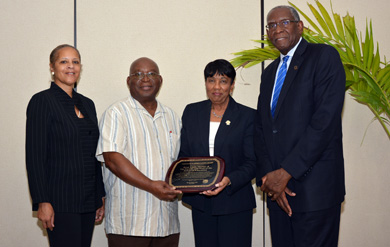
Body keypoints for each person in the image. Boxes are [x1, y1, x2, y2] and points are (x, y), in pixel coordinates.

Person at [255, 5, 346, 247]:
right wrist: (270, 181)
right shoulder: (269, 72)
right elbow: (262, 129)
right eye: (271, 25)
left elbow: (324, 123)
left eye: (284, 22)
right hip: (278, 195)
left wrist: (286, 172)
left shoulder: (324, 57)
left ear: (299, 26)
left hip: (315, 191)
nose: (278, 29)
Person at [96, 57, 182, 247]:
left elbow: (181, 164)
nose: (145, 79)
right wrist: (152, 185)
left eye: (151, 74)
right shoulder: (116, 113)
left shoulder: (172, 117)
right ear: (128, 81)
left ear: (160, 80)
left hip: (167, 224)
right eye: (138, 74)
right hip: (129, 225)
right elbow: (112, 159)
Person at [26, 44, 105, 247]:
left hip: (87, 199)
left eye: (75, 62)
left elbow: (95, 154)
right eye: (64, 62)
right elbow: (35, 157)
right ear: (52, 67)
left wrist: (99, 197)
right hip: (59, 201)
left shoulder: (87, 104)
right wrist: (42, 201)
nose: (71, 67)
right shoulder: (42, 101)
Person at [179, 59, 257, 247]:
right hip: (201, 201)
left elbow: (253, 162)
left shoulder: (248, 116)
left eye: (223, 81)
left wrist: (228, 180)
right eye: (211, 80)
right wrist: (183, 179)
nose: (216, 87)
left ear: (232, 85)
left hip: (235, 201)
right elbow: (184, 155)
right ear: (205, 83)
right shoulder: (192, 112)